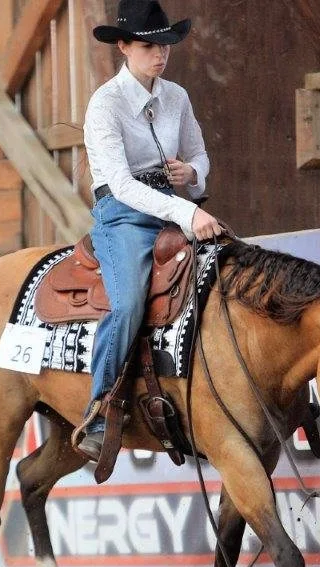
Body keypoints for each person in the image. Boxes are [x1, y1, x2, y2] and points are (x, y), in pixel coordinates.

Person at [77, 0, 223, 459]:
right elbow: (119, 185)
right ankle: (99, 411)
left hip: (174, 207)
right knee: (127, 306)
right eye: (148, 45)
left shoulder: (177, 97)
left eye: (165, 44)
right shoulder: (105, 105)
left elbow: (201, 157)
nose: (160, 54)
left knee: (231, 270)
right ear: (123, 47)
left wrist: (191, 176)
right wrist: (186, 212)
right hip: (123, 215)